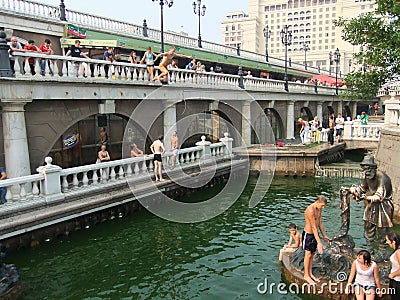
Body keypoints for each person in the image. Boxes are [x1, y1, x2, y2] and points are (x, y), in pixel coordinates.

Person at [349, 156, 394, 252]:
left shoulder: (383, 178)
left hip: (383, 207)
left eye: (368, 169)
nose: (367, 172)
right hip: (371, 206)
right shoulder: (367, 176)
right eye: (365, 170)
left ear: (373, 168)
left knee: (382, 229)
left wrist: (366, 197)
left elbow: (379, 195)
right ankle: (370, 248)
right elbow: (363, 188)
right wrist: (354, 190)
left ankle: (382, 250)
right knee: (368, 226)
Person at [303, 195, 330, 284]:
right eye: (322, 205)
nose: (323, 207)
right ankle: (306, 275)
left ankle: (310, 273)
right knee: (308, 254)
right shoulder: (310, 210)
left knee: (312, 254)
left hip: (315, 234)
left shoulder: (319, 209)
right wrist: (319, 243)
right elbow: (314, 227)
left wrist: (324, 236)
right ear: (318, 202)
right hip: (308, 234)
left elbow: (320, 222)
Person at [386, 232, 400, 300]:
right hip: (394, 280)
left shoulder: (398, 252)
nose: (387, 242)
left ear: (393, 242)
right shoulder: (396, 251)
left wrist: (393, 274)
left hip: (397, 281)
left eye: (388, 240)